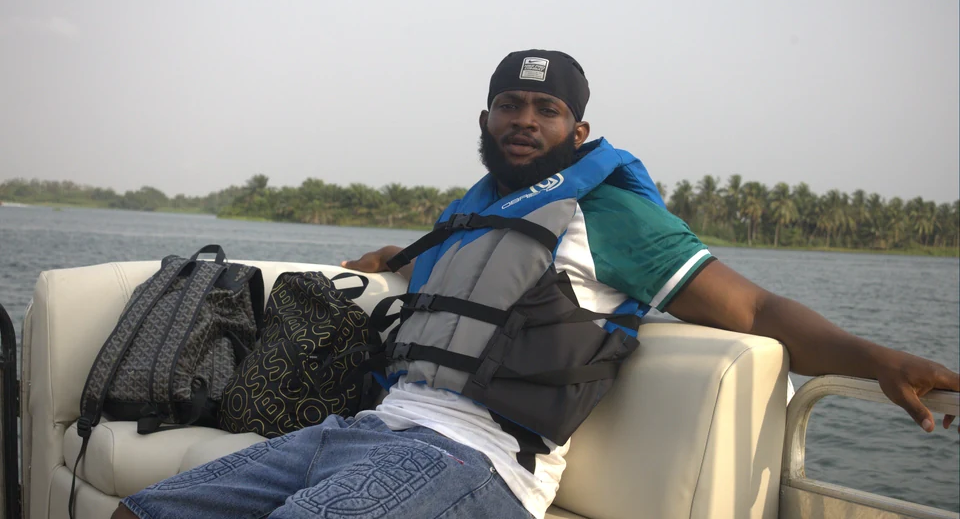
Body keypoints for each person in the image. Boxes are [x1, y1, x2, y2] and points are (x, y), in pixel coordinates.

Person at [112, 50, 959, 519]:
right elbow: (435, 266)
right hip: (357, 430)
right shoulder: (471, 212)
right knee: (140, 513)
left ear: (578, 129)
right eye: (510, 104)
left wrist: (872, 356)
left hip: (473, 460)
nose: (525, 119)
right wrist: (379, 263)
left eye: (545, 110)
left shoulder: (611, 215)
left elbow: (756, 308)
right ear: (484, 120)